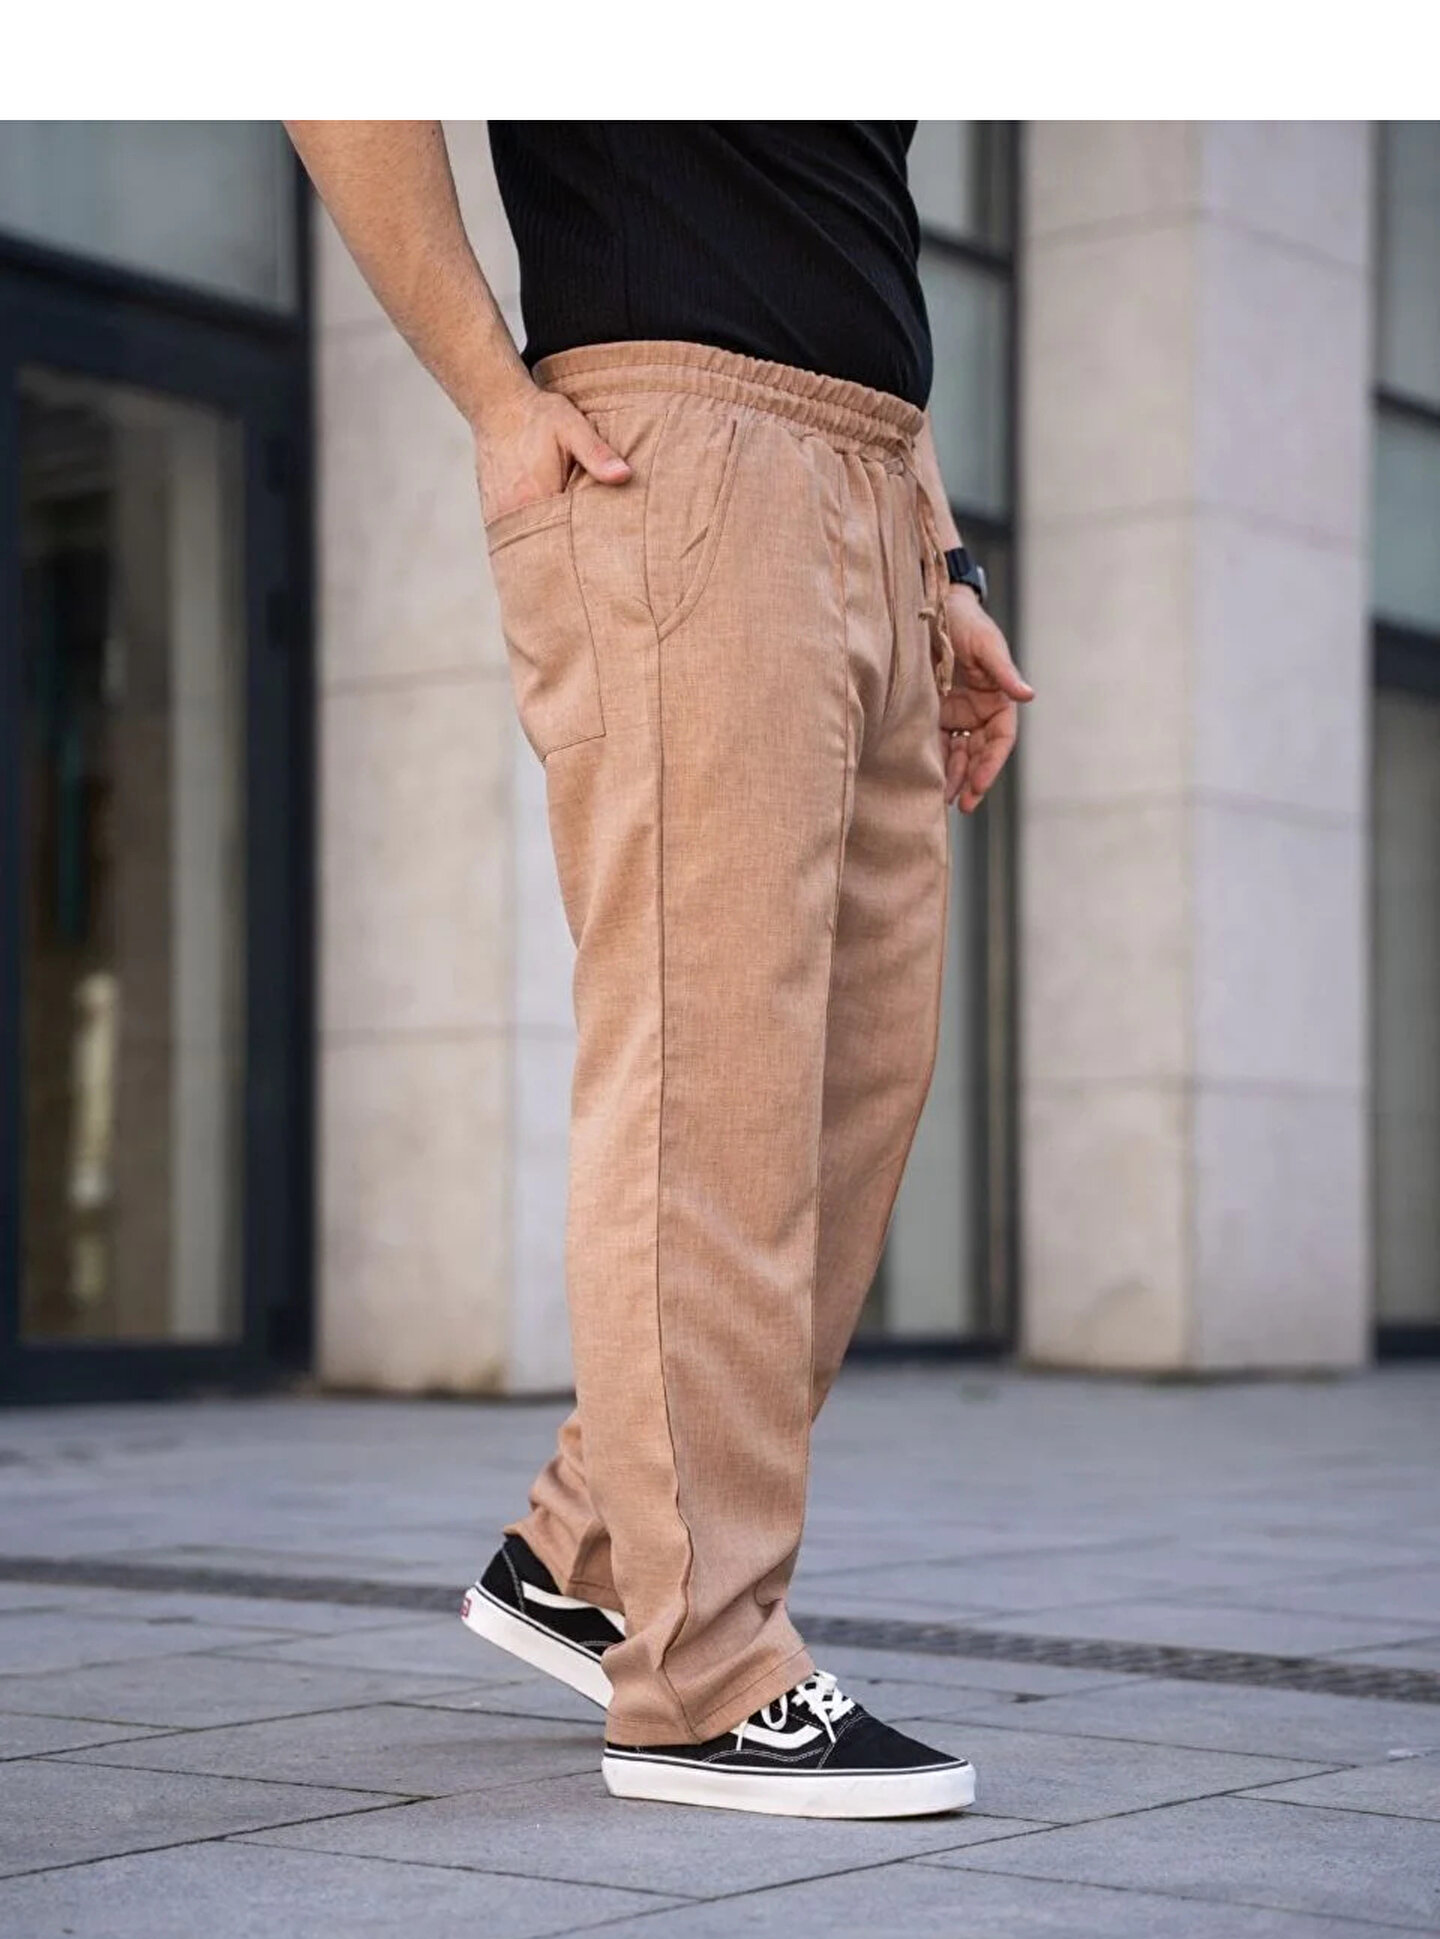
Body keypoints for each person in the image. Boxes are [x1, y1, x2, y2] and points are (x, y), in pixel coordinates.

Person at [285, 121, 1034, 1818]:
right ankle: (700, 1676)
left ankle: (594, 1553)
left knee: (849, 1088)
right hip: (680, 455)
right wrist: (497, 399)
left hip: (876, 480)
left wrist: (941, 557)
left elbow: (845, 221)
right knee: (714, 1076)